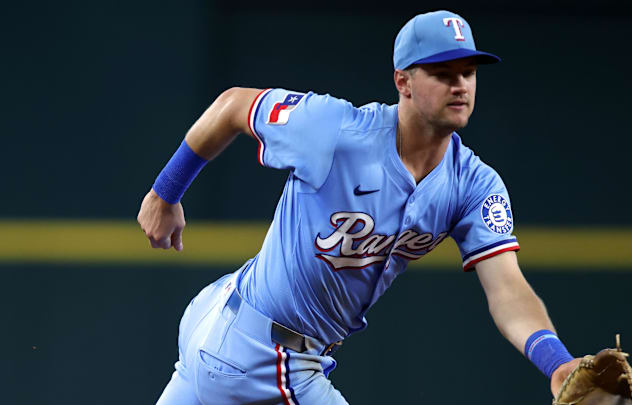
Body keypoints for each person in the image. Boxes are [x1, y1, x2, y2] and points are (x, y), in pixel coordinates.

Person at [138, 10, 582, 405]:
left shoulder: (474, 184)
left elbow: (507, 288)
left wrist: (556, 363)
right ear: (403, 81)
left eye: (468, 71)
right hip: (258, 355)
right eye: (442, 71)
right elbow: (234, 104)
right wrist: (165, 192)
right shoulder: (335, 130)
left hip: (245, 335)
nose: (459, 84)